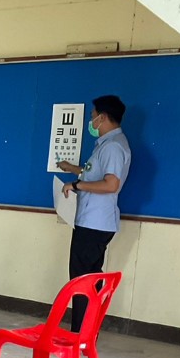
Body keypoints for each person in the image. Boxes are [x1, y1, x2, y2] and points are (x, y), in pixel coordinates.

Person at [59, 94, 131, 332]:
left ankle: (81, 334)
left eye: (93, 116)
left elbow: (111, 184)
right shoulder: (106, 145)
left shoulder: (113, 147)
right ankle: (85, 332)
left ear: (103, 117)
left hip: (95, 223)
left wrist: (76, 185)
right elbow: (94, 173)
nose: (91, 122)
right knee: (87, 277)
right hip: (92, 221)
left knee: (82, 279)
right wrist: (73, 169)